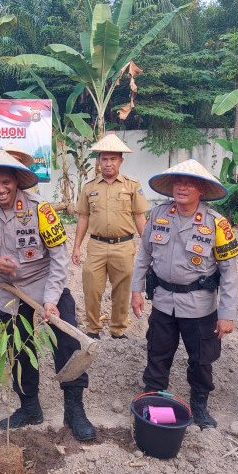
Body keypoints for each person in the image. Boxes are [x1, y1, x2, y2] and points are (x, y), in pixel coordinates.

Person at [0, 150, 96, 441]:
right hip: (10, 295)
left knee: (68, 346)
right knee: (18, 351)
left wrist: (51, 299)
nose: (0, 189)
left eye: (5, 182)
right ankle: (30, 408)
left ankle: (75, 411)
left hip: (48, 288)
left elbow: (59, 258)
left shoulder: (40, 210)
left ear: (16, 181)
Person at [130, 158, 238, 429]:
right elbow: (143, 255)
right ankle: (153, 406)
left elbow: (229, 273)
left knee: (201, 361)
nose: (183, 187)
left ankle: (199, 406)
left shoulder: (217, 224)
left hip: (199, 307)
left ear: (201, 189)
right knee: (157, 355)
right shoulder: (157, 215)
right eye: (179, 181)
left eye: (190, 183)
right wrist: (136, 290)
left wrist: (226, 315)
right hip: (164, 303)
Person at [72, 133, 149, 339]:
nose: (108, 163)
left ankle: (118, 329)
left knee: (122, 291)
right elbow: (83, 218)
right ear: (98, 161)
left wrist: (150, 249)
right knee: (92, 289)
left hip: (123, 246)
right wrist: (77, 246)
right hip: (96, 246)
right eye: (104, 159)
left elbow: (140, 217)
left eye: (113, 159)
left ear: (121, 161)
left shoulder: (132, 185)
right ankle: (93, 329)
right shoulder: (89, 187)